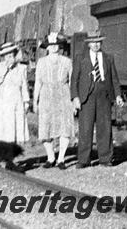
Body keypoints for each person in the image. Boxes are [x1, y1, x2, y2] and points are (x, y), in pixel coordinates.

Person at [71, 32, 123, 168]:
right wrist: (75, 97)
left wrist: (118, 95)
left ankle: (105, 158)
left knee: (105, 128)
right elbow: (74, 80)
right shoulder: (80, 58)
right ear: (88, 44)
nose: (96, 45)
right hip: (86, 97)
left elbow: (114, 79)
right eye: (93, 42)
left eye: (98, 42)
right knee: (85, 128)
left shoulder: (108, 58)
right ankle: (83, 160)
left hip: (104, 97)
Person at [34, 33, 75, 169]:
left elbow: (71, 82)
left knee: (64, 127)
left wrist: (73, 99)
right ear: (47, 47)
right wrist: (35, 101)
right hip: (46, 95)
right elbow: (38, 83)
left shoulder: (67, 61)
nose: (54, 48)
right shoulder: (41, 62)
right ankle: (51, 157)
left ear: (60, 46)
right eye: (51, 45)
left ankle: (61, 158)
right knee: (46, 127)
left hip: (63, 95)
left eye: (56, 45)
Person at [0, 43, 30, 143]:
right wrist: (6, 69)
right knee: (2, 132)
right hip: (2, 103)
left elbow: (24, 86)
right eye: (7, 56)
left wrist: (26, 102)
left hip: (16, 102)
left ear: (14, 55)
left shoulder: (21, 68)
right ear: (3, 57)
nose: (9, 58)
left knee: (14, 131)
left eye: (11, 55)